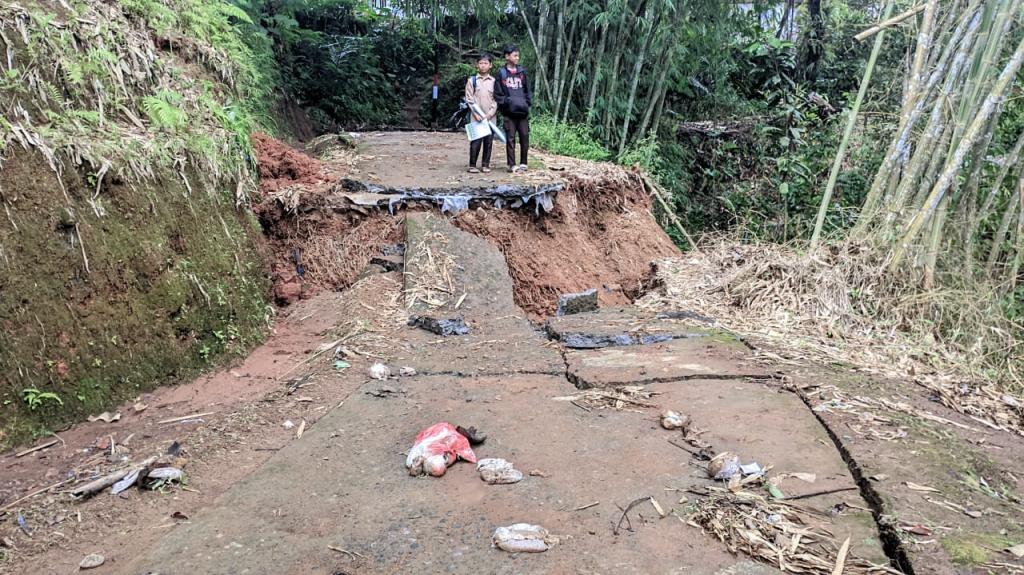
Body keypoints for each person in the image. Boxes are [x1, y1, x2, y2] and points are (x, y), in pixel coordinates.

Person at [495, 44, 532, 173]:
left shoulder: (522, 72)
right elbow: (498, 93)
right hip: (509, 112)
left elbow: (528, 90)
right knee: (510, 139)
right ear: (507, 56)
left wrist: (527, 103)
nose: (517, 58)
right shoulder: (501, 73)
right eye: (515, 55)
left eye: (518, 55)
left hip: (522, 111)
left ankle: (524, 162)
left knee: (524, 136)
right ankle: (511, 164)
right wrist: (507, 103)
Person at [465, 53, 497, 173]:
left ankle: (485, 165)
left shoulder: (494, 81)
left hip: (490, 118)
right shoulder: (472, 80)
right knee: (475, 142)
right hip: (476, 117)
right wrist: (476, 114)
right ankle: (472, 165)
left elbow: (496, 100)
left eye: (486, 63)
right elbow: (469, 99)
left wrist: (490, 114)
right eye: (481, 63)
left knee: (488, 142)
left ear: (490, 65)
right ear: (477, 65)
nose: (483, 65)